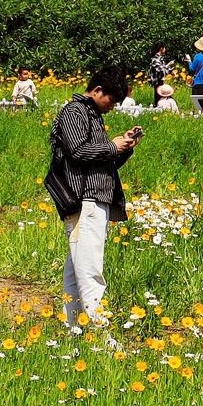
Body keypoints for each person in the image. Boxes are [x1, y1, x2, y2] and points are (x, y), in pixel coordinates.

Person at [44, 68, 141, 330]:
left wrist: (123, 148)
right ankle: (97, 332)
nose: (112, 106)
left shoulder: (91, 115)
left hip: (94, 199)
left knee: (77, 271)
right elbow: (77, 151)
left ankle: (75, 328)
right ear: (97, 90)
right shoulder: (74, 111)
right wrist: (112, 146)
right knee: (89, 271)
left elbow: (100, 162)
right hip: (84, 198)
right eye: (111, 100)